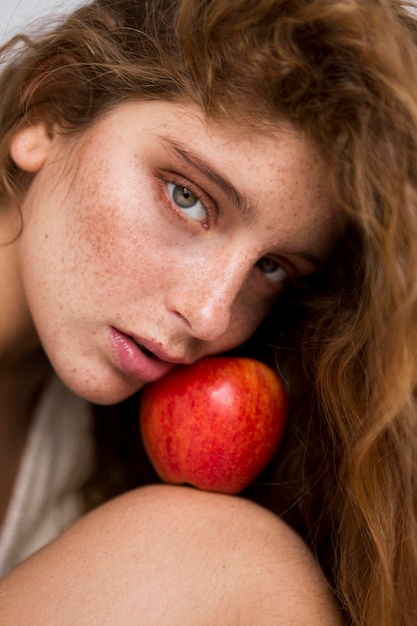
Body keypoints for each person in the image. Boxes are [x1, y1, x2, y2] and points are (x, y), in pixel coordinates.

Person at [0, 0, 416, 623]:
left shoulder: (96, 440)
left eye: (271, 268)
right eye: (187, 197)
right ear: (49, 114)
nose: (211, 315)